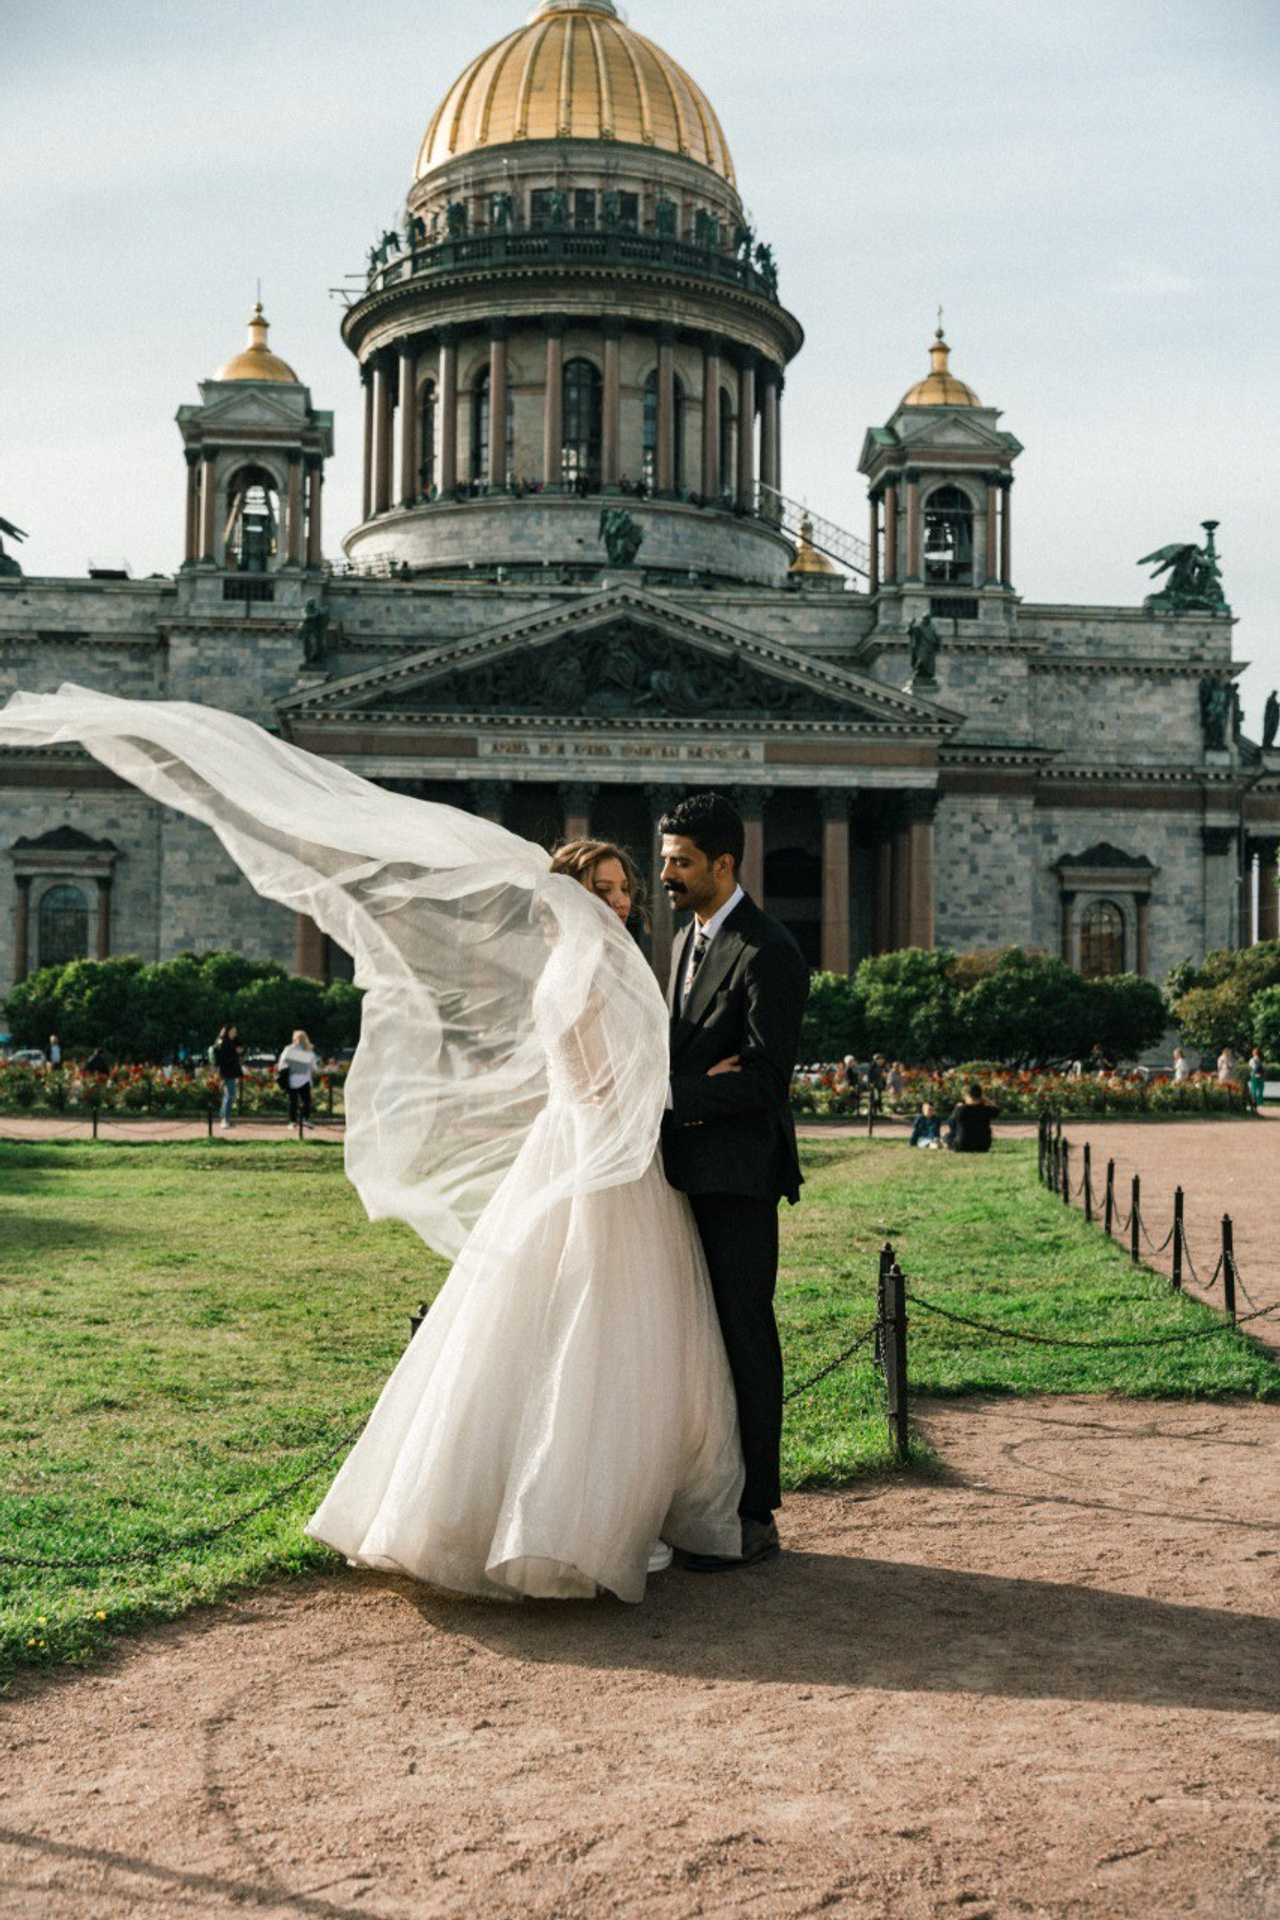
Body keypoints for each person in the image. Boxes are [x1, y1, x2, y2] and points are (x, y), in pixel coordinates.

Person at [0, 685, 742, 1604]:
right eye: (606, 891)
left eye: (626, 888)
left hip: (579, 1151)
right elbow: (605, 1078)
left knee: (544, 1331)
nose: (622, 902)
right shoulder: (593, 972)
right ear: (569, 903)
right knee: (598, 1333)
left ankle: (525, 1506)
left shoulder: (564, 970)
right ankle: (575, 1519)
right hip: (602, 1157)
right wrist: (683, 1087)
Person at [659, 791, 810, 1571]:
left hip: (739, 1178)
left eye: (681, 862)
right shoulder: (686, 940)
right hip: (684, 1168)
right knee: (693, 1341)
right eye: (663, 860)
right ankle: (703, 1495)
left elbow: (766, 1082)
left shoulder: (768, 948)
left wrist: (674, 1092)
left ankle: (754, 1512)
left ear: (723, 864)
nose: (665, 876)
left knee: (744, 1336)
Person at [277, 1029, 318, 1127]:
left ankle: (293, 1121)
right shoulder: (308, 1051)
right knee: (306, 1101)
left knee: (293, 1102)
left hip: (291, 1080)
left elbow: (281, 1064)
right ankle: (304, 1118)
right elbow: (314, 1067)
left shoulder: (289, 1049)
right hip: (304, 1080)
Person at [948, 1082, 998, 1154]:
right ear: (981, 1097)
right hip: (983, 1146)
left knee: (948, 1136)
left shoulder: (961, 1109)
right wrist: (986, 1100)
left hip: (963, 1145)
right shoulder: (986, 1110)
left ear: (969, 1096)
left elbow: (951, 1122)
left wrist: (957, 1108)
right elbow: (996, 1109)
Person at [213, 1023, 243, 1129]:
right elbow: (224, 1058)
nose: (235, 1034)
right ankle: (225, 1120)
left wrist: (237, 1049)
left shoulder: (230, 1041)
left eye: (235, 1032)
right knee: (230, 1095)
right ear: (227, 1032)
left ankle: (224, 1117)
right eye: (233, 1031)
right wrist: (235, 1052)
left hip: (231, 1071)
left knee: (228, 1094)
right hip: (227, 1071)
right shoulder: (223, 1042)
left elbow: (241, 1046)